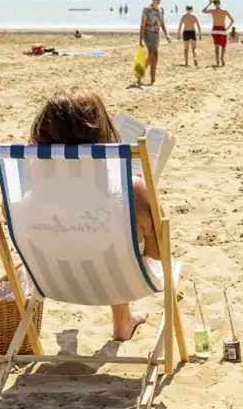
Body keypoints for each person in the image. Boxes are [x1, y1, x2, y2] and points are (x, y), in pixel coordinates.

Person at [30, 87, 161, 341]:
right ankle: (123, 321)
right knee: (120, 236)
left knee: (99, 232)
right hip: (117, 280)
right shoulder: (130, 188)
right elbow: (157, 254)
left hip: (50, 280)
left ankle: (124, 319)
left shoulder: (27, 186)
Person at [139, 0, 171, 85]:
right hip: (147, 34)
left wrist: (167, 34)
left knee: (155, 57)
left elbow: (162, 23)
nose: (159, 0)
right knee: (152, 54)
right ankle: (140, 72)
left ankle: (152, 79)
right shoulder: (147, 9)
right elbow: (142, 25)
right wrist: (140, 39)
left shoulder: (161, 10)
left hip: (156, 35)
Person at [202, 0, 234, 67]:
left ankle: (217, 60)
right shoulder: (225, 11)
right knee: (223, 46)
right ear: (220, 3)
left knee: (216, 46)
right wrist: (228, 27)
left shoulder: (213, 11)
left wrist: (209, 4)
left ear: (214, 4)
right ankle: (222, 57)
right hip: (222, 29)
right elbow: (232, 20)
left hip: (215, 29)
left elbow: (203, 11)